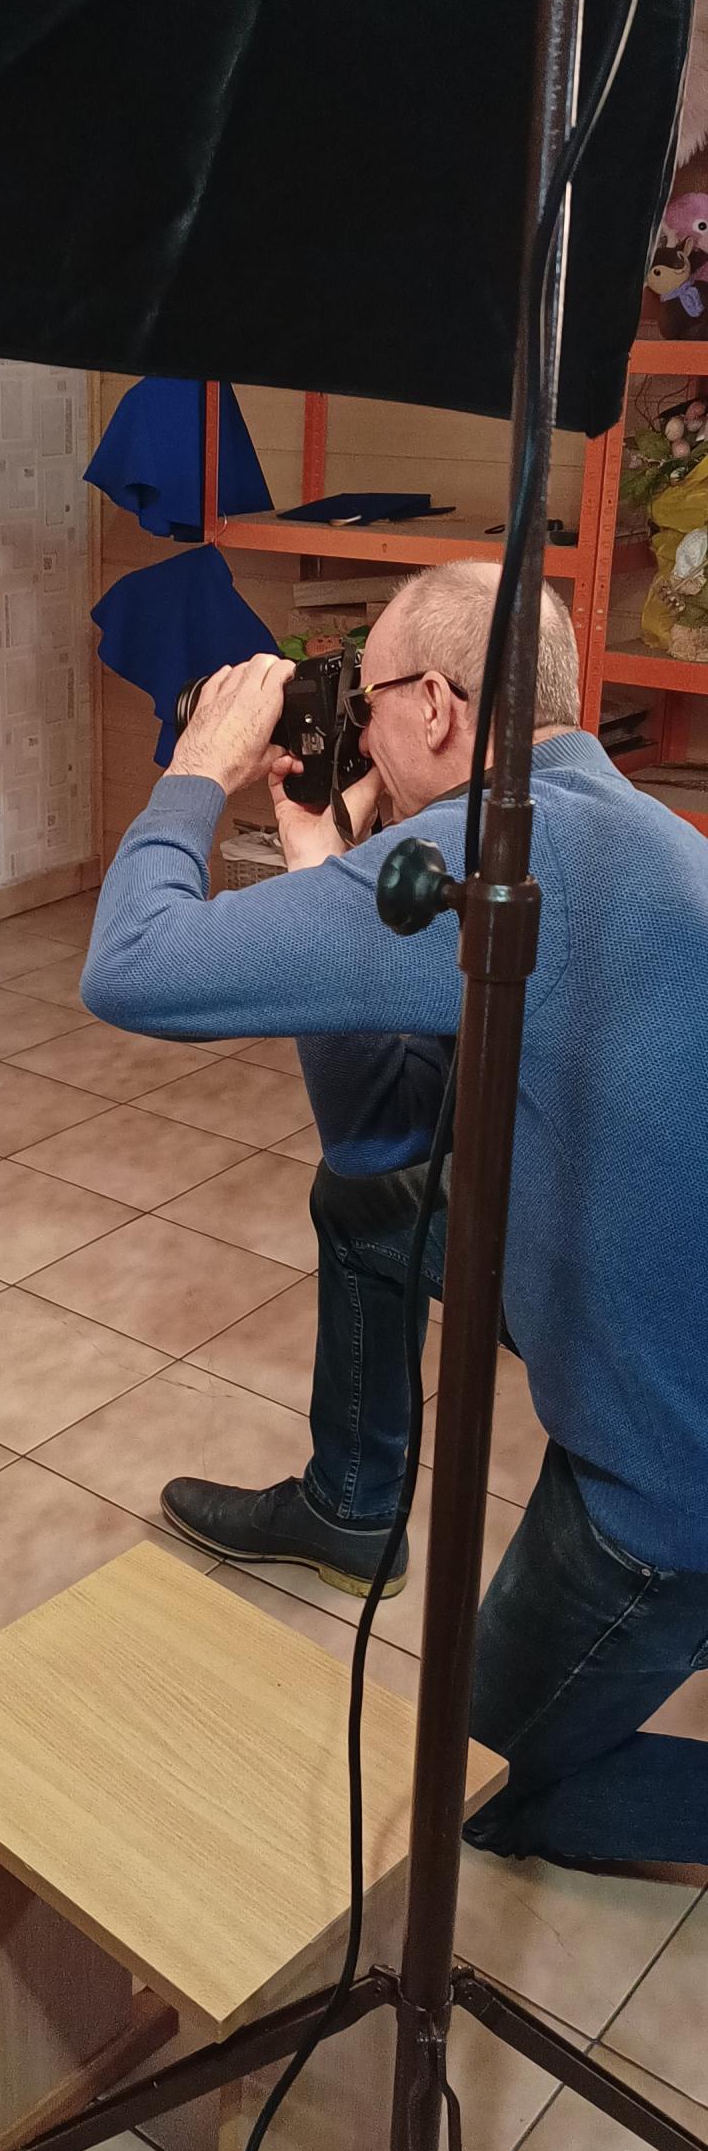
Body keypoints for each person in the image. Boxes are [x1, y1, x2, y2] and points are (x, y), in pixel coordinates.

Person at [81, 562, 708, 1876]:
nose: (357, 734)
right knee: (372, 1205)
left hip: (671, 1467)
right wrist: (319, 848)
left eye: (364, 704)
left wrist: (195, 770)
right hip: (653, 1315)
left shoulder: (494, 852)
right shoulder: (630, 829)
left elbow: (130, 965)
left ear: (433, 703)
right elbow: (382, 1130)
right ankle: (352, 1504)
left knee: (472, 1786)